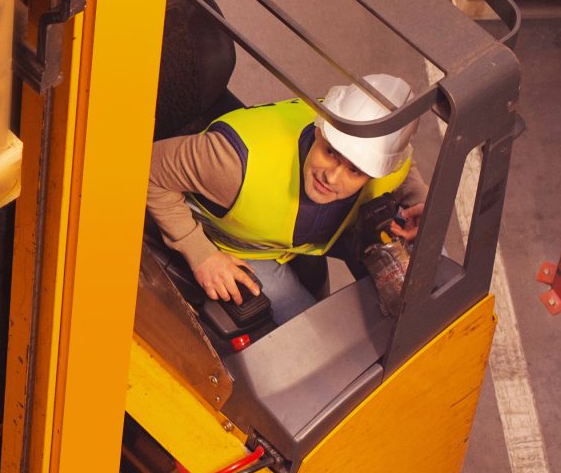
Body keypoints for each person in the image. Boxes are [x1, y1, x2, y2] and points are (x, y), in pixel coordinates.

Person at [147, 74, 429, 325]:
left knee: (425, 269)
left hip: (314, 236)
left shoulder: (382, 155)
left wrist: (422, 202)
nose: (331, 177)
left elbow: (404, 170)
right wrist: (200, 253)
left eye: (355, 170)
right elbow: (148, 169)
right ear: (321, 128)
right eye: (330, 152)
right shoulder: (230, 163)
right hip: (242, 247)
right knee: (309, 341)